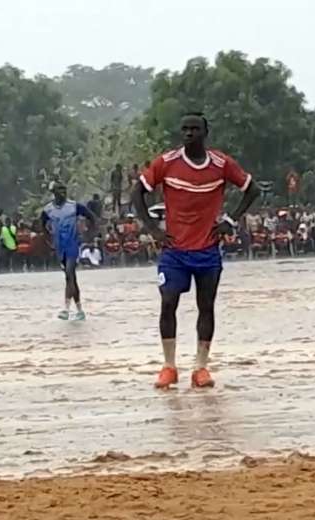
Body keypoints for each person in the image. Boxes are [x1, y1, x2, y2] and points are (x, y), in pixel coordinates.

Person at [132, 112, 259, 389]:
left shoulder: (221, 164)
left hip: (207, 249)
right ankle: (169, 366)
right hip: (174, 250)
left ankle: (201, 368)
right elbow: (137, 192)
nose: (189, 133)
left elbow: (252, 190)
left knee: (206, 306)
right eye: (185, 129)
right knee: (168, 302)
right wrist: (153, 229)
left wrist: (230, 221)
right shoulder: (166, 163)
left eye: (195, 129)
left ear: (205, 133)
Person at [41, 182, 98, 320]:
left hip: (72, 245)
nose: (63, 193)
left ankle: (66, 309)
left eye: (64, 190)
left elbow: (92, 217)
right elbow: (42, 225)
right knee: (70, 278)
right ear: (54, 192)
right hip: (60, 248)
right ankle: (79, 310)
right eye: (60, 190)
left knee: (69, 273)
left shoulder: (74, 206)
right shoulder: (48, 210)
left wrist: (89, 234)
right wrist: (48, 240)